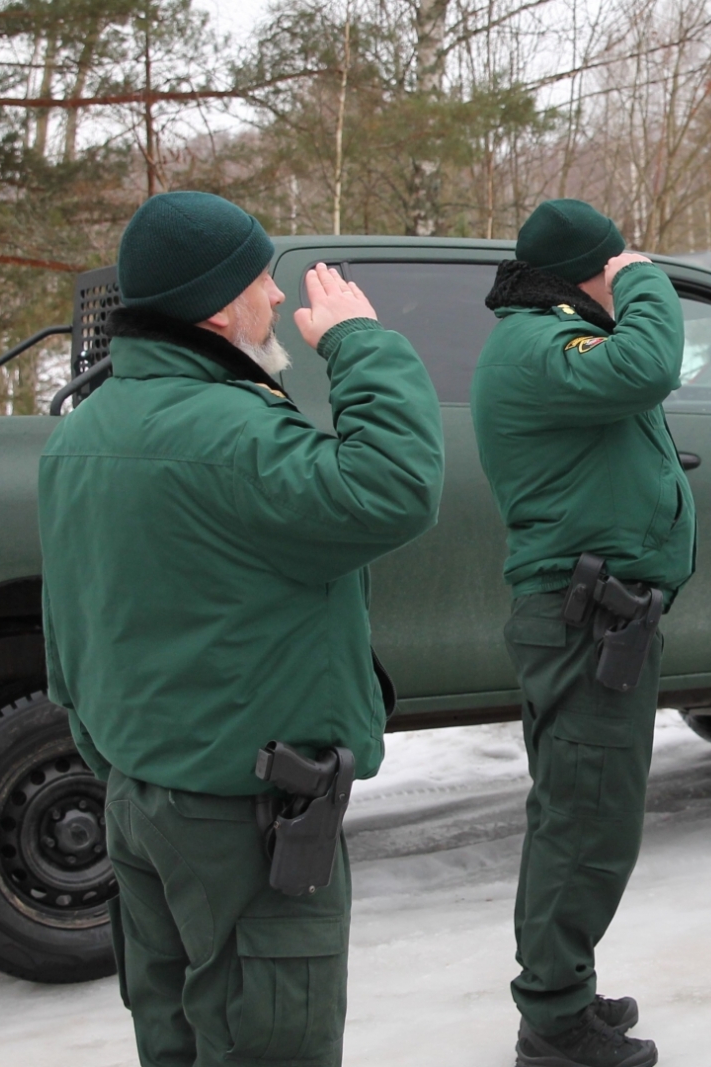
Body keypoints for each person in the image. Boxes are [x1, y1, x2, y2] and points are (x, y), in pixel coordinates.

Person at [39, 191, 444, 1067]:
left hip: (142, 799)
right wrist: (358, 341)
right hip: (241, 822)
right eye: (263, 279)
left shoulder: (87, 429)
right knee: (270, 1041)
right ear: (219, 306)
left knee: (177, 1039)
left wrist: (120, 759)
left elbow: (69, 626)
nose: (276, 298)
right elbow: (396, 486)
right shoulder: (231, 433)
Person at [470, 199, 696, 1067]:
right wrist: (642, 274)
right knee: (587, 819)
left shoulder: (545, 341)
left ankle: (563, 982)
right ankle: (554, 1023)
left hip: (595, 617)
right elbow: (649, 363)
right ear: (586, 275)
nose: (625, 278)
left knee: (577, 811)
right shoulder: (537, 344)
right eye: (613, 269)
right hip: (584, 621)